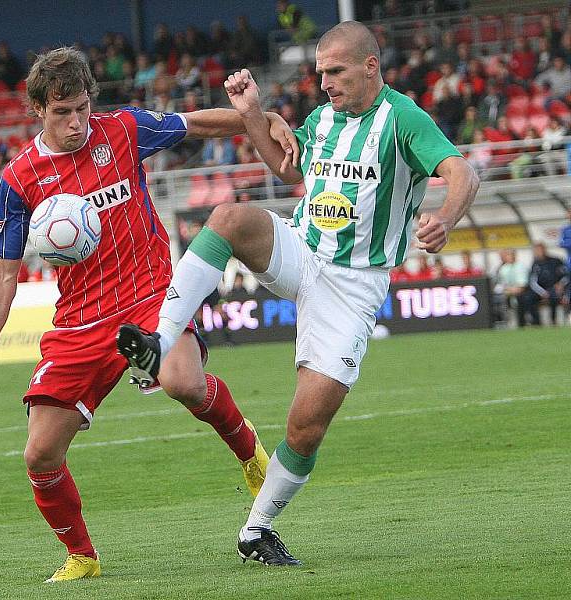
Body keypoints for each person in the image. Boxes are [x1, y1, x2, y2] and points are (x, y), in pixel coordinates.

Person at [118, 21, 479, 566]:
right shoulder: (324, 118)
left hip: (353, 286)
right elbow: (287, 170)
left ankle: (256, 529)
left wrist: (445, 217)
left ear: (370, 66)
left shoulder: (402, 117)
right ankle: (160, 342)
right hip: (302, 250)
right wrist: (251, 112)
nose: (326, 82)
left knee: (307, 423)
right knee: (230, 216)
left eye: (336, 71)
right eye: (320, 73)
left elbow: (462, 173)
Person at [0, 47, 294, 583]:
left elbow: (194, 124)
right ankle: (82, 556)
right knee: (40, 454)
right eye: (62, 112)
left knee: (182, 380)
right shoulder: (19, 180)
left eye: (82, 109)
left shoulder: (122, 130)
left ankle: (250, 452)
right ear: (38, 110)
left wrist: (261, 117)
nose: (75, 123)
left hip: (152, 292)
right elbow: (3, 273)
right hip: (79, 320)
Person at [522, 242, 568, 325]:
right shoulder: (535, 264)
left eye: (540, 250)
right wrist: (542, 292)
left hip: (555, 287)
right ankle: (536, 322)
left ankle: (553, 321)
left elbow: (566, 276)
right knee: (528, 298)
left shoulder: (556, 261)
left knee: (553, 295)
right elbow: (533, 282)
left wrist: (560, 284)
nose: (538, 252)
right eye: (536, 251)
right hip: (541, 289)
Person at [494, 249, 529, 327]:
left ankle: (521, 323)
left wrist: (513, 290)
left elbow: (522, 285)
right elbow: (501, 284)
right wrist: (508, 290)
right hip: (508, 292)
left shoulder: (521, 266)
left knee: (519, 299)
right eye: (508, 255)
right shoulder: (503, 269)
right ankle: (506, 322)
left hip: (520, 292)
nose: (510, 257)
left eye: (511, 255)